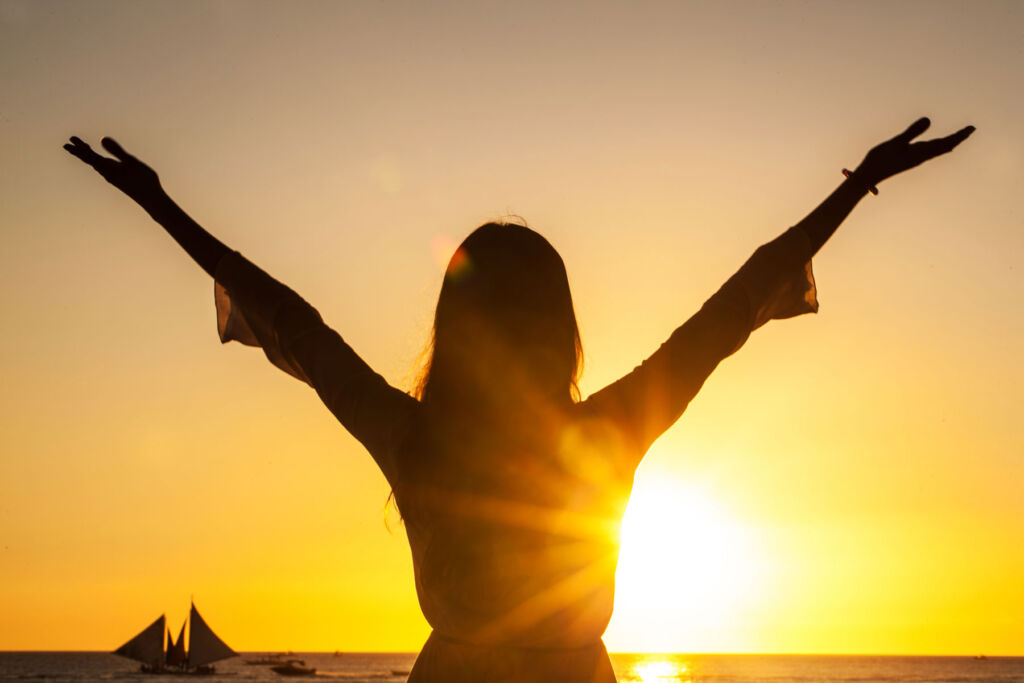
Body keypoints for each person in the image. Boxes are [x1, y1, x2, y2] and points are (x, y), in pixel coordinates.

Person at [64, 118, 973, 682]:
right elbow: (731, 307)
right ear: (559, 326)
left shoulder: (417, 437)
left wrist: (160, 204)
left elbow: (290, 319)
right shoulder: (602, 429)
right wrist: (855, 184)